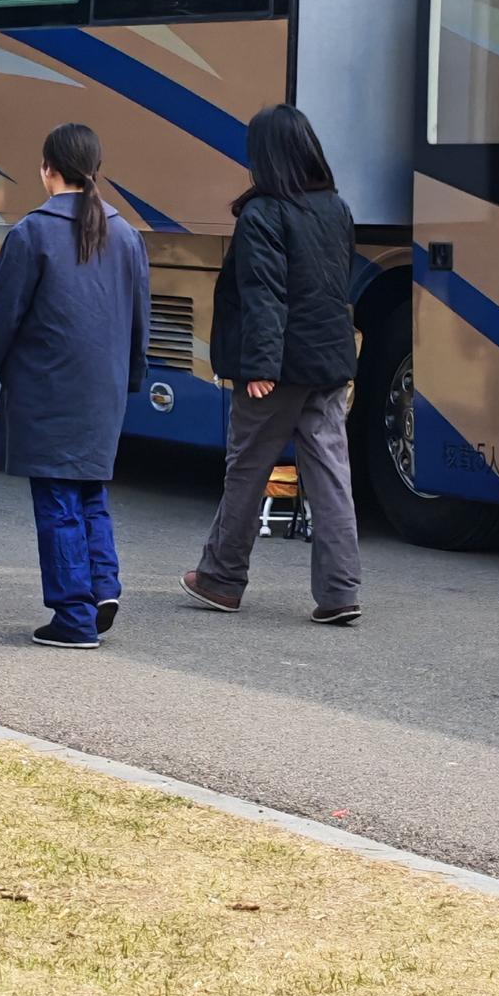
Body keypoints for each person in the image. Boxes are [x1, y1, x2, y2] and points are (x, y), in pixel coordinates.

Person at [0, 123, 150, 649]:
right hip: (103, 390)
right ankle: (101, 587)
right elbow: (142, 320)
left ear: (49, 170)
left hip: (47, 389)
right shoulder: (127, 235)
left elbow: (4, 315)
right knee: (90, 490)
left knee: (57, 500)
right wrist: (129, 379)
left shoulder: (31, 234)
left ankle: (72, 615)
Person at [181, 104, 362, 625]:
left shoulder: (264, 213)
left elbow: (265, 294)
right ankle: (339, 592)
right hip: (328, 361)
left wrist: (260, 365)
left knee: (248, 468)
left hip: (278, 366)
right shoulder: (335, 208)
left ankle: (220, 579)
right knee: (330, 474)